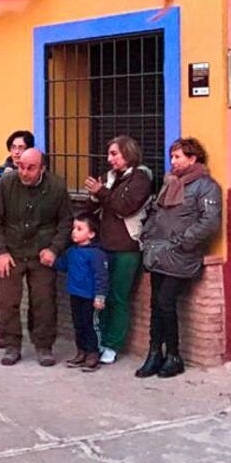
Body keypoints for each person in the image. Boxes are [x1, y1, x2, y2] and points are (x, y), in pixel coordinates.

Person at [136, 137, 222, 380]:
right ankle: (154, 353)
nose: (172, 161)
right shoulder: (170, 183)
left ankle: (174, 355)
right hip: (158, 253)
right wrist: (147, 234)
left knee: (166, 303)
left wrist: (182, 242)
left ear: (192, 158)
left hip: (181, 255)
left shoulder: (206, 186)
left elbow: (209, 221)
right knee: (156, 305)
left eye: (177, 157)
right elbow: (157, 213)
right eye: (171, 156)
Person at [0, 148, 73, 367]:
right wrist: (1, 252)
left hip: (41, 252)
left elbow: (65, 222)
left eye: (30, 168)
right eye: (21, 167)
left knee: (43, 301)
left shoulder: (57, 187)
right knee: (7, 300)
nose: (24, 172)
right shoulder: (6, 184)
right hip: (11, 251)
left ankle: (44, 345)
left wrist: (54, 249)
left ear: (42, 168)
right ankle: (11, 344)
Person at [84, 135, 153, 365]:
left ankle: (113, 345)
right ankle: (99, 340)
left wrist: (102, 192)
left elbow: (125, 207)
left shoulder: (141, 177)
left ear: (128, 153)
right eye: (109, 154)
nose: (109, 159)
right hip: (104, 246)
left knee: (118, 297)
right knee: (101, 296)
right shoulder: (109, 178)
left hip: (127, 248)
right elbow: (92, 207)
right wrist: (95, 196)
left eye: (114, 154)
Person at [55, 215, 109, 372]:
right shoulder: (71, 251)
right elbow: (63, 265)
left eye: (79, 229)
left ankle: (93, 353)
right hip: (75, 294)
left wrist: (100, 296)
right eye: (74, 228)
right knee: (78, 324)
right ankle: (81, 351)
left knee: (90, 324)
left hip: (90, 297)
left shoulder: (97, 254)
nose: (74, 232)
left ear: (91, 234)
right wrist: (50, 261)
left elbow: (101, 277)